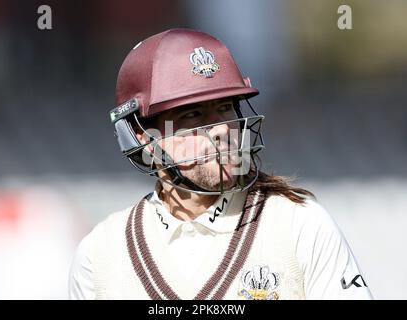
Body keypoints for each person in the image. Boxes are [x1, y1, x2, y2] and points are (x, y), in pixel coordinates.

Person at [69, 28, 373, 300]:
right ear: (143, 137)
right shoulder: (100, 255)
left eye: (225, 108)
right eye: (192, 115)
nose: (219, 129)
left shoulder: (300, 225)